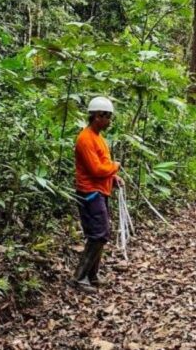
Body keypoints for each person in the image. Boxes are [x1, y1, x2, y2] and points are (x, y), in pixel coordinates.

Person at [73, 96, 124, 293]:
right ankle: (79, 277)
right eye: (107, 117)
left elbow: (103, 166)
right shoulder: (85, 139)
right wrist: (115, 166)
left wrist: (114, 177)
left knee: (100, 234)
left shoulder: (99, 138)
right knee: (98, 234)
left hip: (101, 191)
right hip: (89, 193)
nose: (109, 121)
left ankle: (92, 275)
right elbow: (96, 169)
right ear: (97, 117)